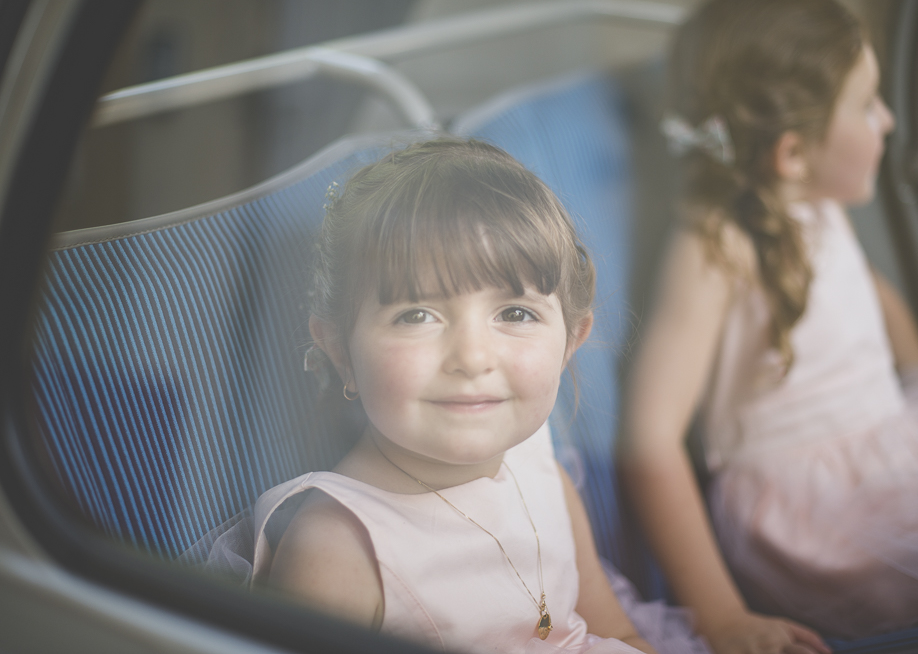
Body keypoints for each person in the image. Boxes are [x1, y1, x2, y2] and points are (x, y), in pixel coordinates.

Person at [620, 0, 918, 654]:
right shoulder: (714, 246)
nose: (889, 120)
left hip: (889, 438)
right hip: (816, 512)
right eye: (868, 106)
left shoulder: (815, 203)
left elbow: (873, 292)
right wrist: (721, 616)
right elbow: (648, 440)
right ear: (793, 153)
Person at [249, 139, 710, 654]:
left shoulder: (540, 471)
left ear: (571, 342)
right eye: (416, 315)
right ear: (340, 353)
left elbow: (617, 633)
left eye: (515, 313)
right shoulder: (339, 550)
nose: (471, 357)